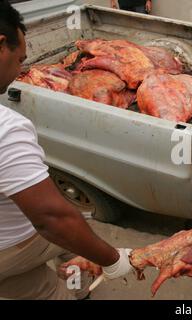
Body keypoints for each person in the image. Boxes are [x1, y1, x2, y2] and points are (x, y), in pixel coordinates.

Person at [0, 1, 133, 299]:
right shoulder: (6, 129)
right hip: (13, 246)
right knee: (71, 231)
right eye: (20, 59)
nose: (20, 69)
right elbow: (52, 220)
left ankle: (78, 282)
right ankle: (80, 281)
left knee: (32, 287)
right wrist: (113, 260)